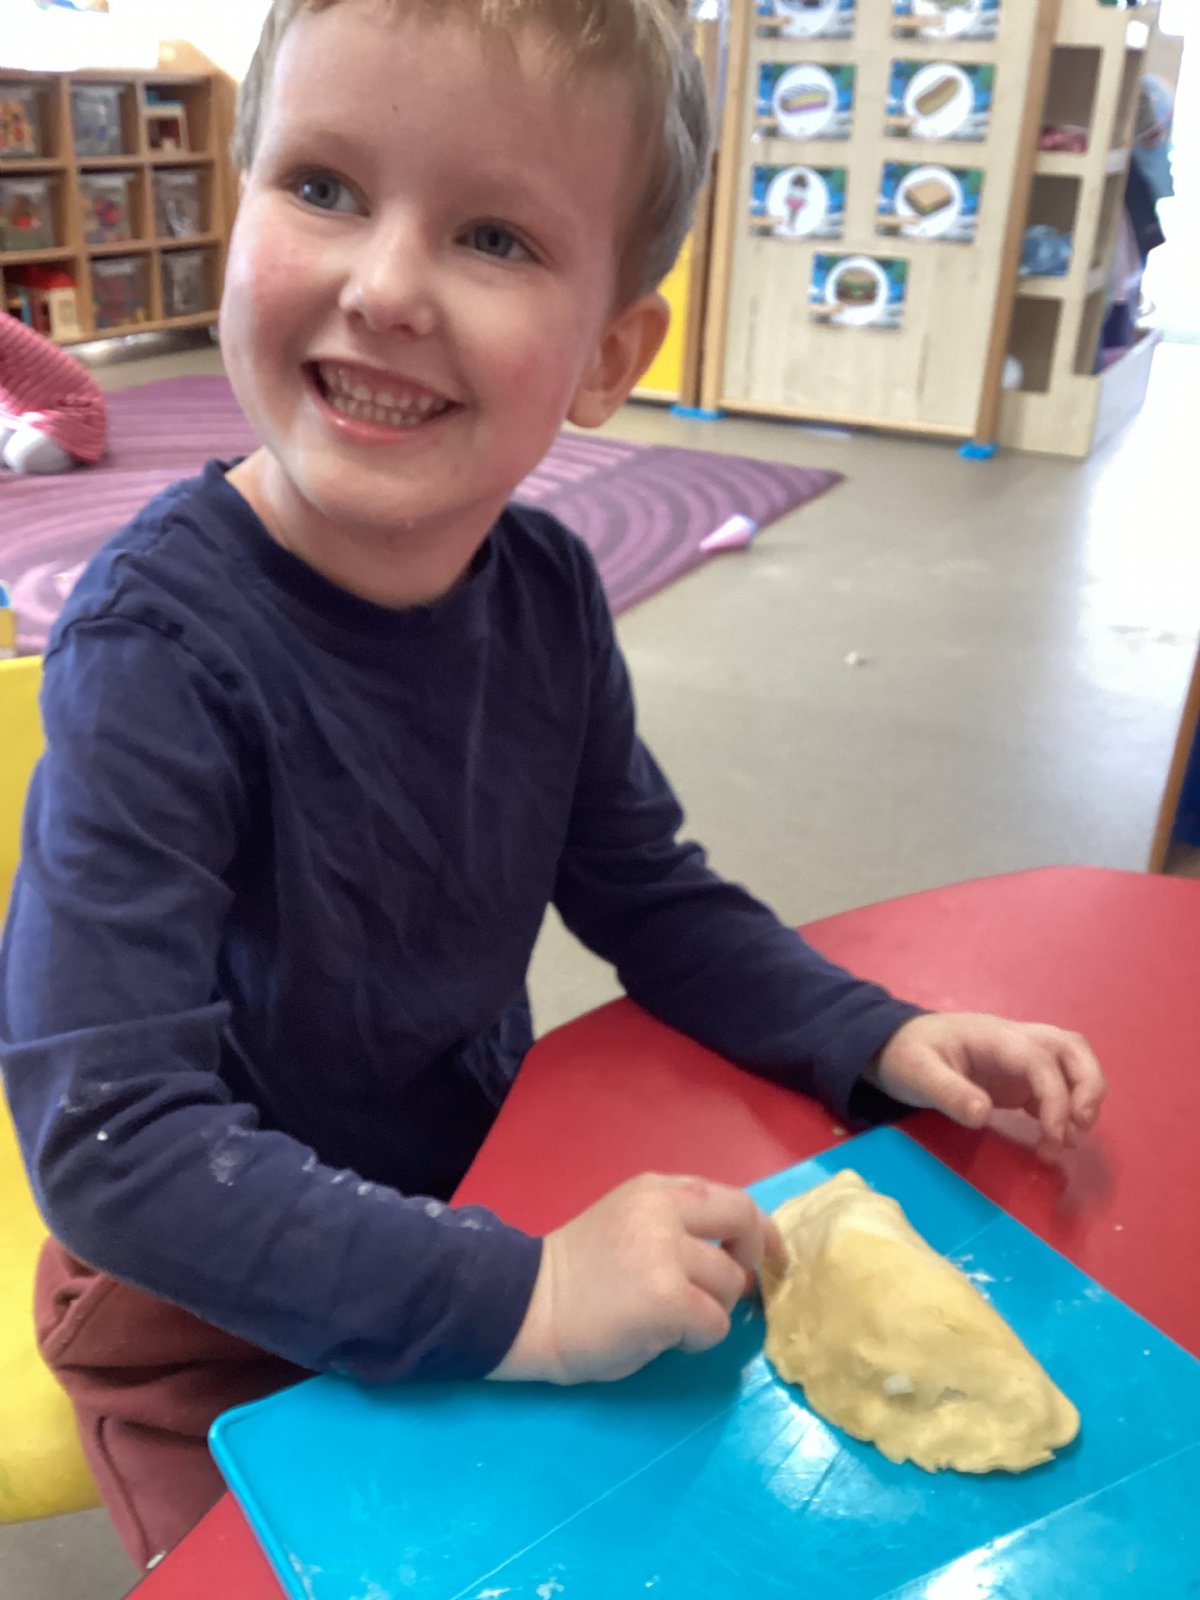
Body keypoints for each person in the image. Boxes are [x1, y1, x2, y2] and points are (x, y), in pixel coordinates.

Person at [0, 0, 1105, 1570]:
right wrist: (528, 1295)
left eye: (495, 237)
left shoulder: (545, 595)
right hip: (201, 1310)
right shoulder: (157, 656)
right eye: (322, 186)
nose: (386, 287)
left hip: (481, 1187)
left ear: (607, 358)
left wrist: (872, 1031)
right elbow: (119, 1149)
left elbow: (649, 896)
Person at [0, 312, 107, 475]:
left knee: (21, 457)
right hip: (19, 413)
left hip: (73, 412)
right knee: (9, 454)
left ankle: (80, 445)